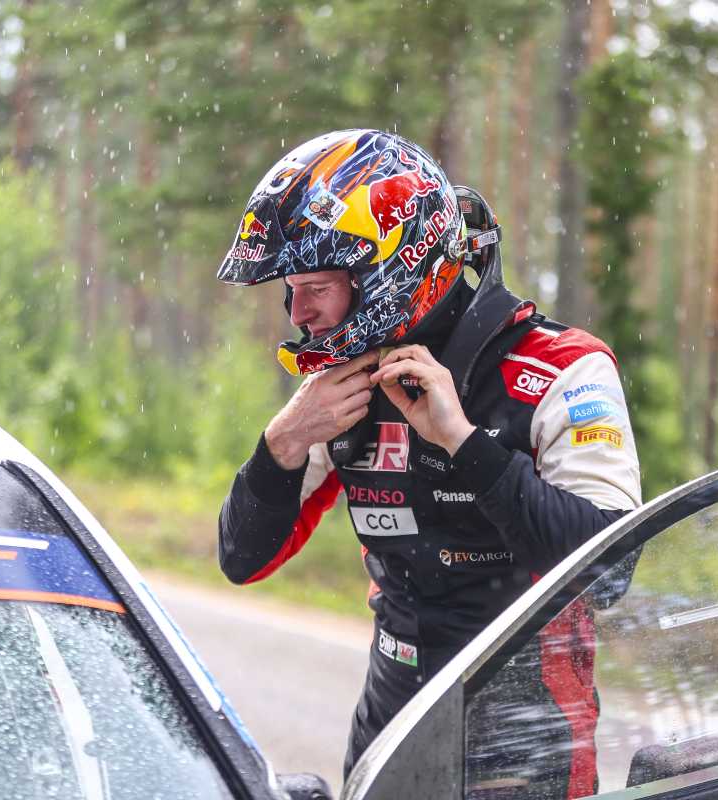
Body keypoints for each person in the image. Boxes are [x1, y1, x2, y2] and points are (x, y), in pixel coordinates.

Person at [214, 129, 641, 794]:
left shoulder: (563, 367)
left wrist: (465, 444)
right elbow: (242, 559)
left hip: (524, 736)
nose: (300, 312)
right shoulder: (345, 381)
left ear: (391, 271)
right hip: (390, 721)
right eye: (291, 289)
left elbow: (609, 572)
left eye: (317, 286)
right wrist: (282, 443)